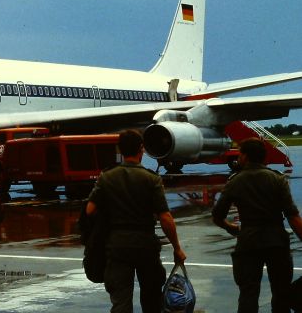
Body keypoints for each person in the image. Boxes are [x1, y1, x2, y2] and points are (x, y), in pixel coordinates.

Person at [86, 129, 187, 313]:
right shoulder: (151, 178)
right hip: (145, 245)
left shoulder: (107, 177)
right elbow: (165, 217)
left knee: (121, 301)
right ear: (141, 149)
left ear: (120, 150)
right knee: (151, 299)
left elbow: (90, 210)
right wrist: (177, 248)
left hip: (117, 245)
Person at [212, 137, 302, 312]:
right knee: (281, 293)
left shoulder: (235, 181)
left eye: (240, 154)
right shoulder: (277, 179)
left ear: (245, 156)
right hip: (276, 241)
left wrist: (229, 227)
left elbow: (217, 215)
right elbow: (292, 216)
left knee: (248, 293)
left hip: (248, 242)